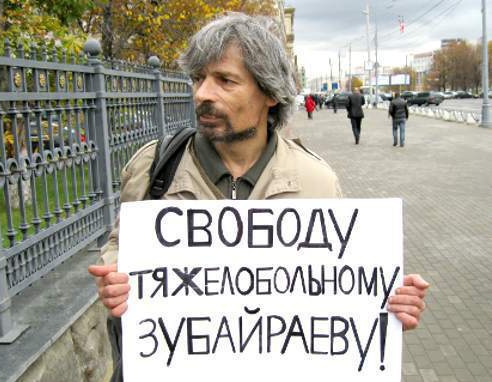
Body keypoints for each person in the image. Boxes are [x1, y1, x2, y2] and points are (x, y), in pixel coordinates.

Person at [88, 12, 429, 378]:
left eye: (225, 80)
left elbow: (344, 294)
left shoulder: (317, 182)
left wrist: (389, 306)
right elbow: (120, 246)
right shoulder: (153, 168)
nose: (202, 94)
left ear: (269, 92)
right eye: (198, 78)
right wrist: (114, 278)